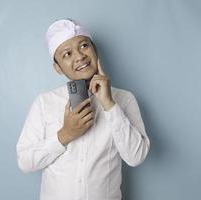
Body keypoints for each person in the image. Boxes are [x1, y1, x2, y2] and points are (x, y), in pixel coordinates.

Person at [16, 18, 150, 200]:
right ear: (58, 68)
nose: (79, 56)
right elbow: (25, 161)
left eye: (84, 46)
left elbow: (136, 156)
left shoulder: (124, 99)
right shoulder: (44, 102)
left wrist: (110, 105)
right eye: (67, 54)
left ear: (95, 50)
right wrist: (65, 134)